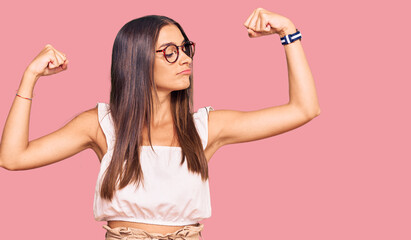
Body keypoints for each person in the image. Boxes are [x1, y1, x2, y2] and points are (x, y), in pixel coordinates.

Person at [0, 8, 320, 240]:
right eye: (170, 51)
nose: (184, 58)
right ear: (137, 59)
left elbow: (304, 109)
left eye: (185, 48)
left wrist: (288, 32)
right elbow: (12, 158)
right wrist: (30, 77)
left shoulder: (205, 127)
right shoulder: (101, 124)